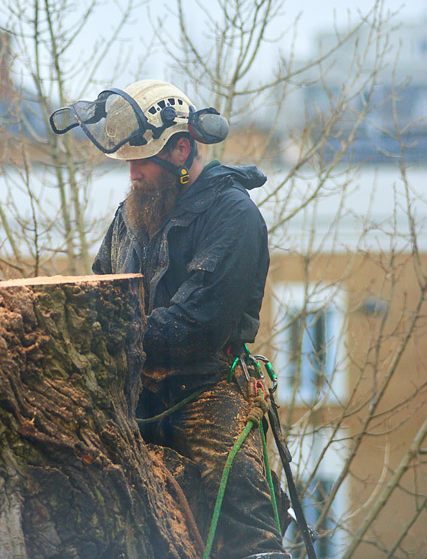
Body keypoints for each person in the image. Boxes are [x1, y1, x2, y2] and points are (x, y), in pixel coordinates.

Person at [51, 80, 289, 559]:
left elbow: (194, 324)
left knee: (239, 486)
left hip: (203, 385)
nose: (133, 173)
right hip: (130, 388)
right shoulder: (130, 214)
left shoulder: (233, 215)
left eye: (142, 161)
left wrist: (108, 335)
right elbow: (102, 287)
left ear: (182, 149)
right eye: (129, 162)